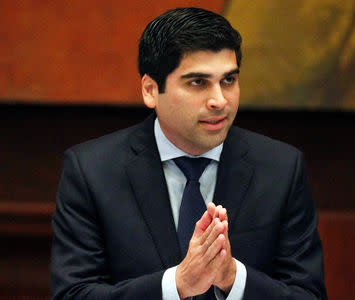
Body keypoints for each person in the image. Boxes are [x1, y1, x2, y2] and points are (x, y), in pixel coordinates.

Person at [50, 7, 327, 300]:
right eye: (198, 83)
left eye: (229, 80)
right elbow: (73, 294)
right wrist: (177, 285)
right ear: (151, 90)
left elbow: (308, 294)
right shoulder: (91, 171)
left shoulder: (281, 169)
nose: (219, 100)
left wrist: (233, 278)